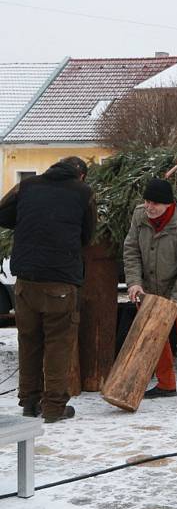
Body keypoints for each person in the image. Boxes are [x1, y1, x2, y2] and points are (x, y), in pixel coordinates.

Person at [0, 157, 95, 423]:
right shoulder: (83, 193)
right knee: (58, 345)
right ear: (81, 176)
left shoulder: (28, 186)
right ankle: (54, 408)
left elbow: (3, 213)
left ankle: (29, 404)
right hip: (60, 280)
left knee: (29, 342)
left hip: (25, 282)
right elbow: (87, 236)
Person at [124, 178, 177, 405]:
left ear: (168, 204)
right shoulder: (140, 216)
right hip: (150, 290)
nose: (149, 207)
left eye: (155, 204)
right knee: (154, 337)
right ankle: (166, 384)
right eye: (147, 201)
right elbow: (131, 250)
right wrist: (134, 282)